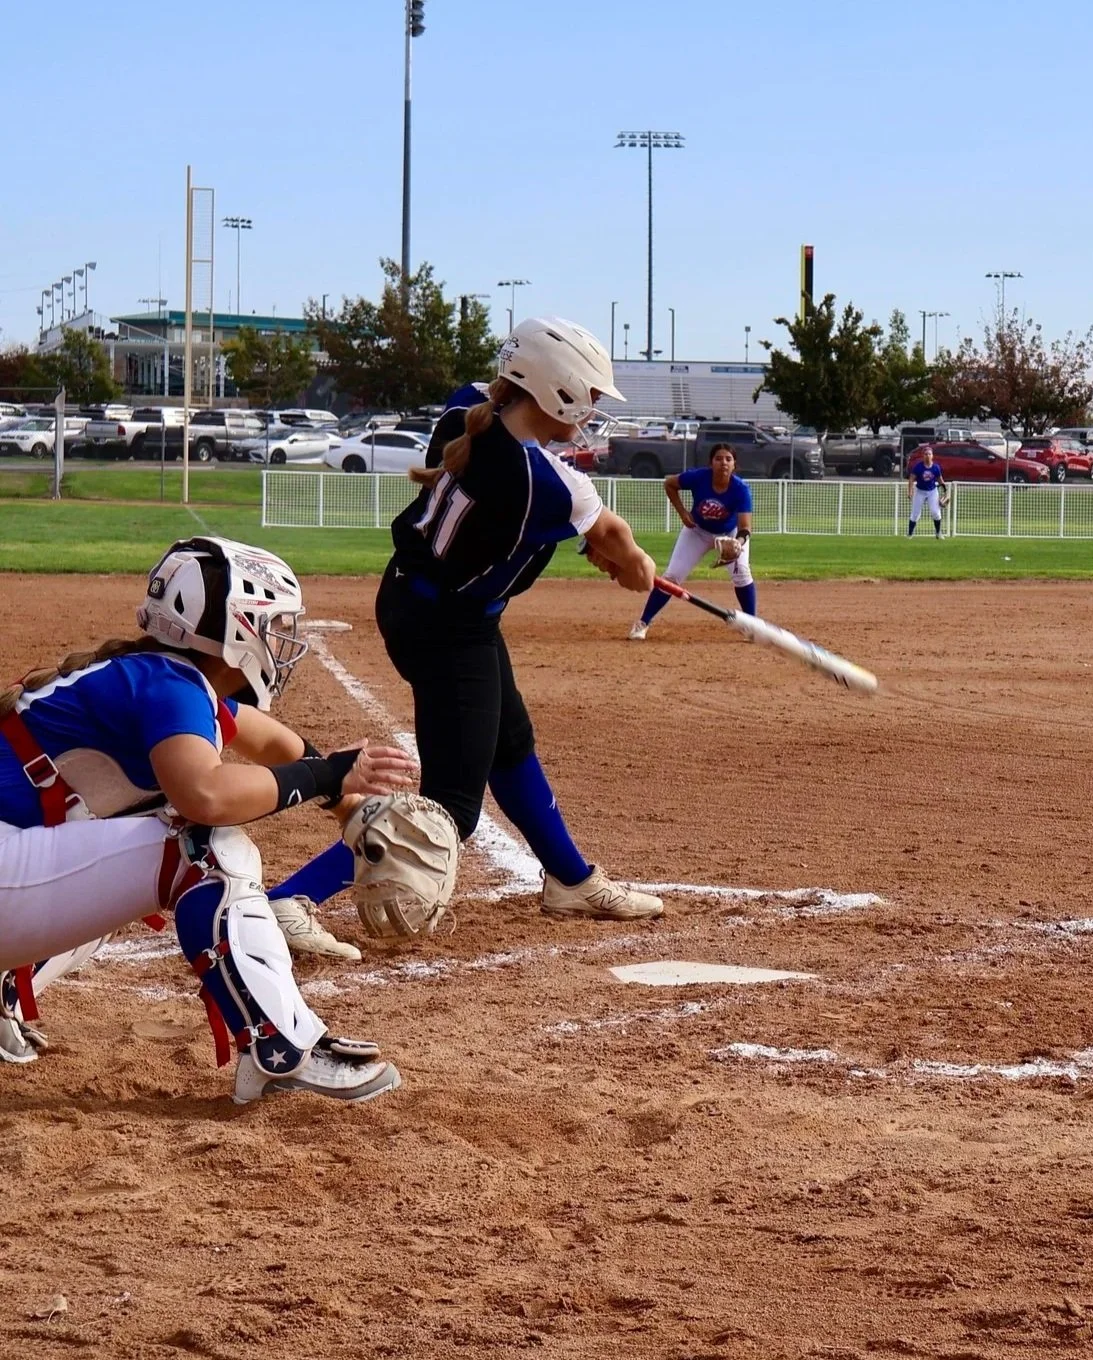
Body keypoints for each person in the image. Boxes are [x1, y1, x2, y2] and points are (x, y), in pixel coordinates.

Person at [0, 536, 411, 1102]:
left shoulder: (157, 677)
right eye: (271, 625)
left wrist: (343, 798)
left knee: (121, 859)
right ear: (234, 628)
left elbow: (269, 740)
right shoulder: (170, 686)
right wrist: (324, 778)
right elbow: (205, 795)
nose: (280, 641)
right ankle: (281, 1050)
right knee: (205, 848)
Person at [376, 315, 666, 922]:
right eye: (586, 396)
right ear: (554, 391)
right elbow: (622, 547)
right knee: (453, 807)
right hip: (450, 630)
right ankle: (289, 899)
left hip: (414, 600)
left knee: (509, 746)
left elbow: (537, 520)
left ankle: (571, 879)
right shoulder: (553, 486)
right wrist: (633, 567)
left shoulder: (464, 412)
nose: (590, 409)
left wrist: (598, 548)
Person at [629, 443, 756, 639]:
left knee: (742, 574)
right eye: (719, 459)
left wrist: (737, 543)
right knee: (672, 577)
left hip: (729, 534)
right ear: (711, 463)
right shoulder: (699, 477)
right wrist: (682, 512)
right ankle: (643, 623)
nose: (723, 463)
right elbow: (669, 484)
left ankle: (752, 626)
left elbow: (745, 527)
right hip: (697, 531)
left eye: (728, 459)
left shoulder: (740, 489)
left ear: (734, 465)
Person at [906, 444, 945, 538]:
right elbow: (911, 479)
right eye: (926, 454)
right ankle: (910, 534)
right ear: (923, 456)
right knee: (915, 514)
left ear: (932, 456)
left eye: (929, 454)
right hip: (920, 491)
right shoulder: (918, 467)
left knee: (936, 512)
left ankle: (938, 533)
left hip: (932, 491)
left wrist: (944, 492)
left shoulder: (936, 467)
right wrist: (910, 491)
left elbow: (940, 480)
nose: (928, 456)